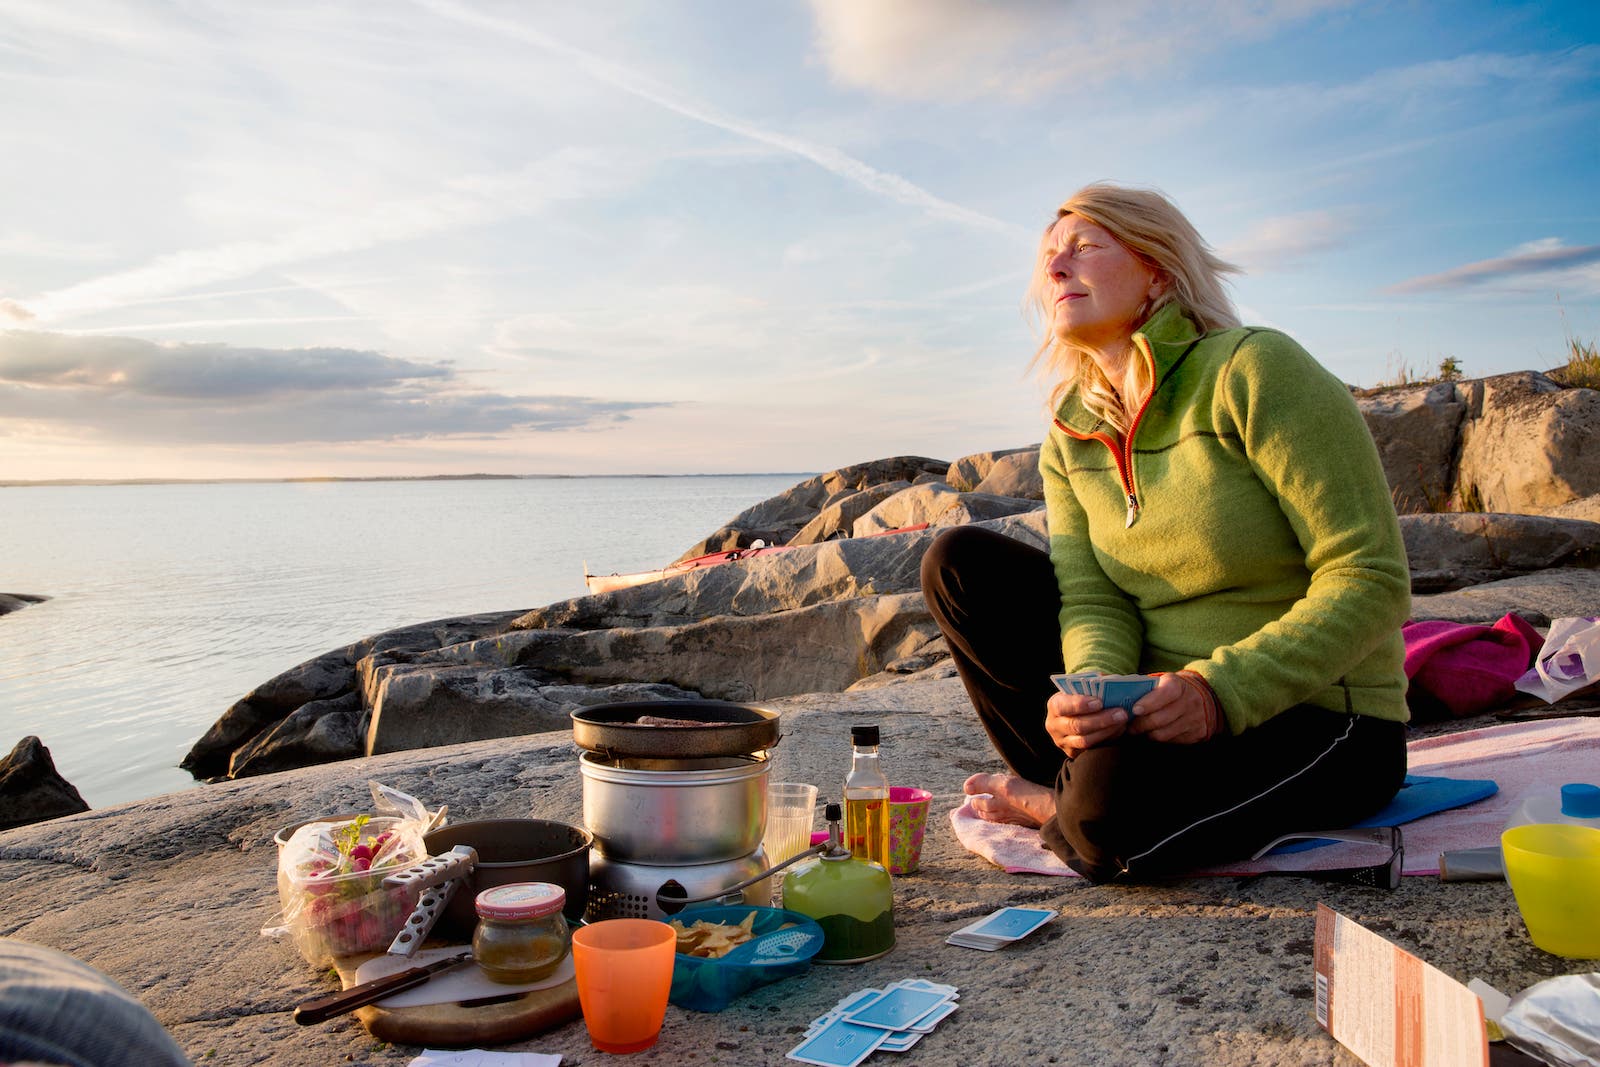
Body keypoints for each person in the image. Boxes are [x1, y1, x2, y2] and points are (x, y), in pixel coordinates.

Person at [921, 182, 1410, 883]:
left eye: (1084, 247)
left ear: (1157, 270)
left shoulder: (1254, 370)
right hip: (1150, 713)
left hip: (1317, 714)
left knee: (1108, 824)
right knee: (958, 560)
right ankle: (1077, 782)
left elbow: (1371, 578)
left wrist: (1217, 692)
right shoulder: (1071, 429)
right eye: (1049, 257)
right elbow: (1094, 597)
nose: (1055, 268)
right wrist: (1091, 691)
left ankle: (1054, 804)